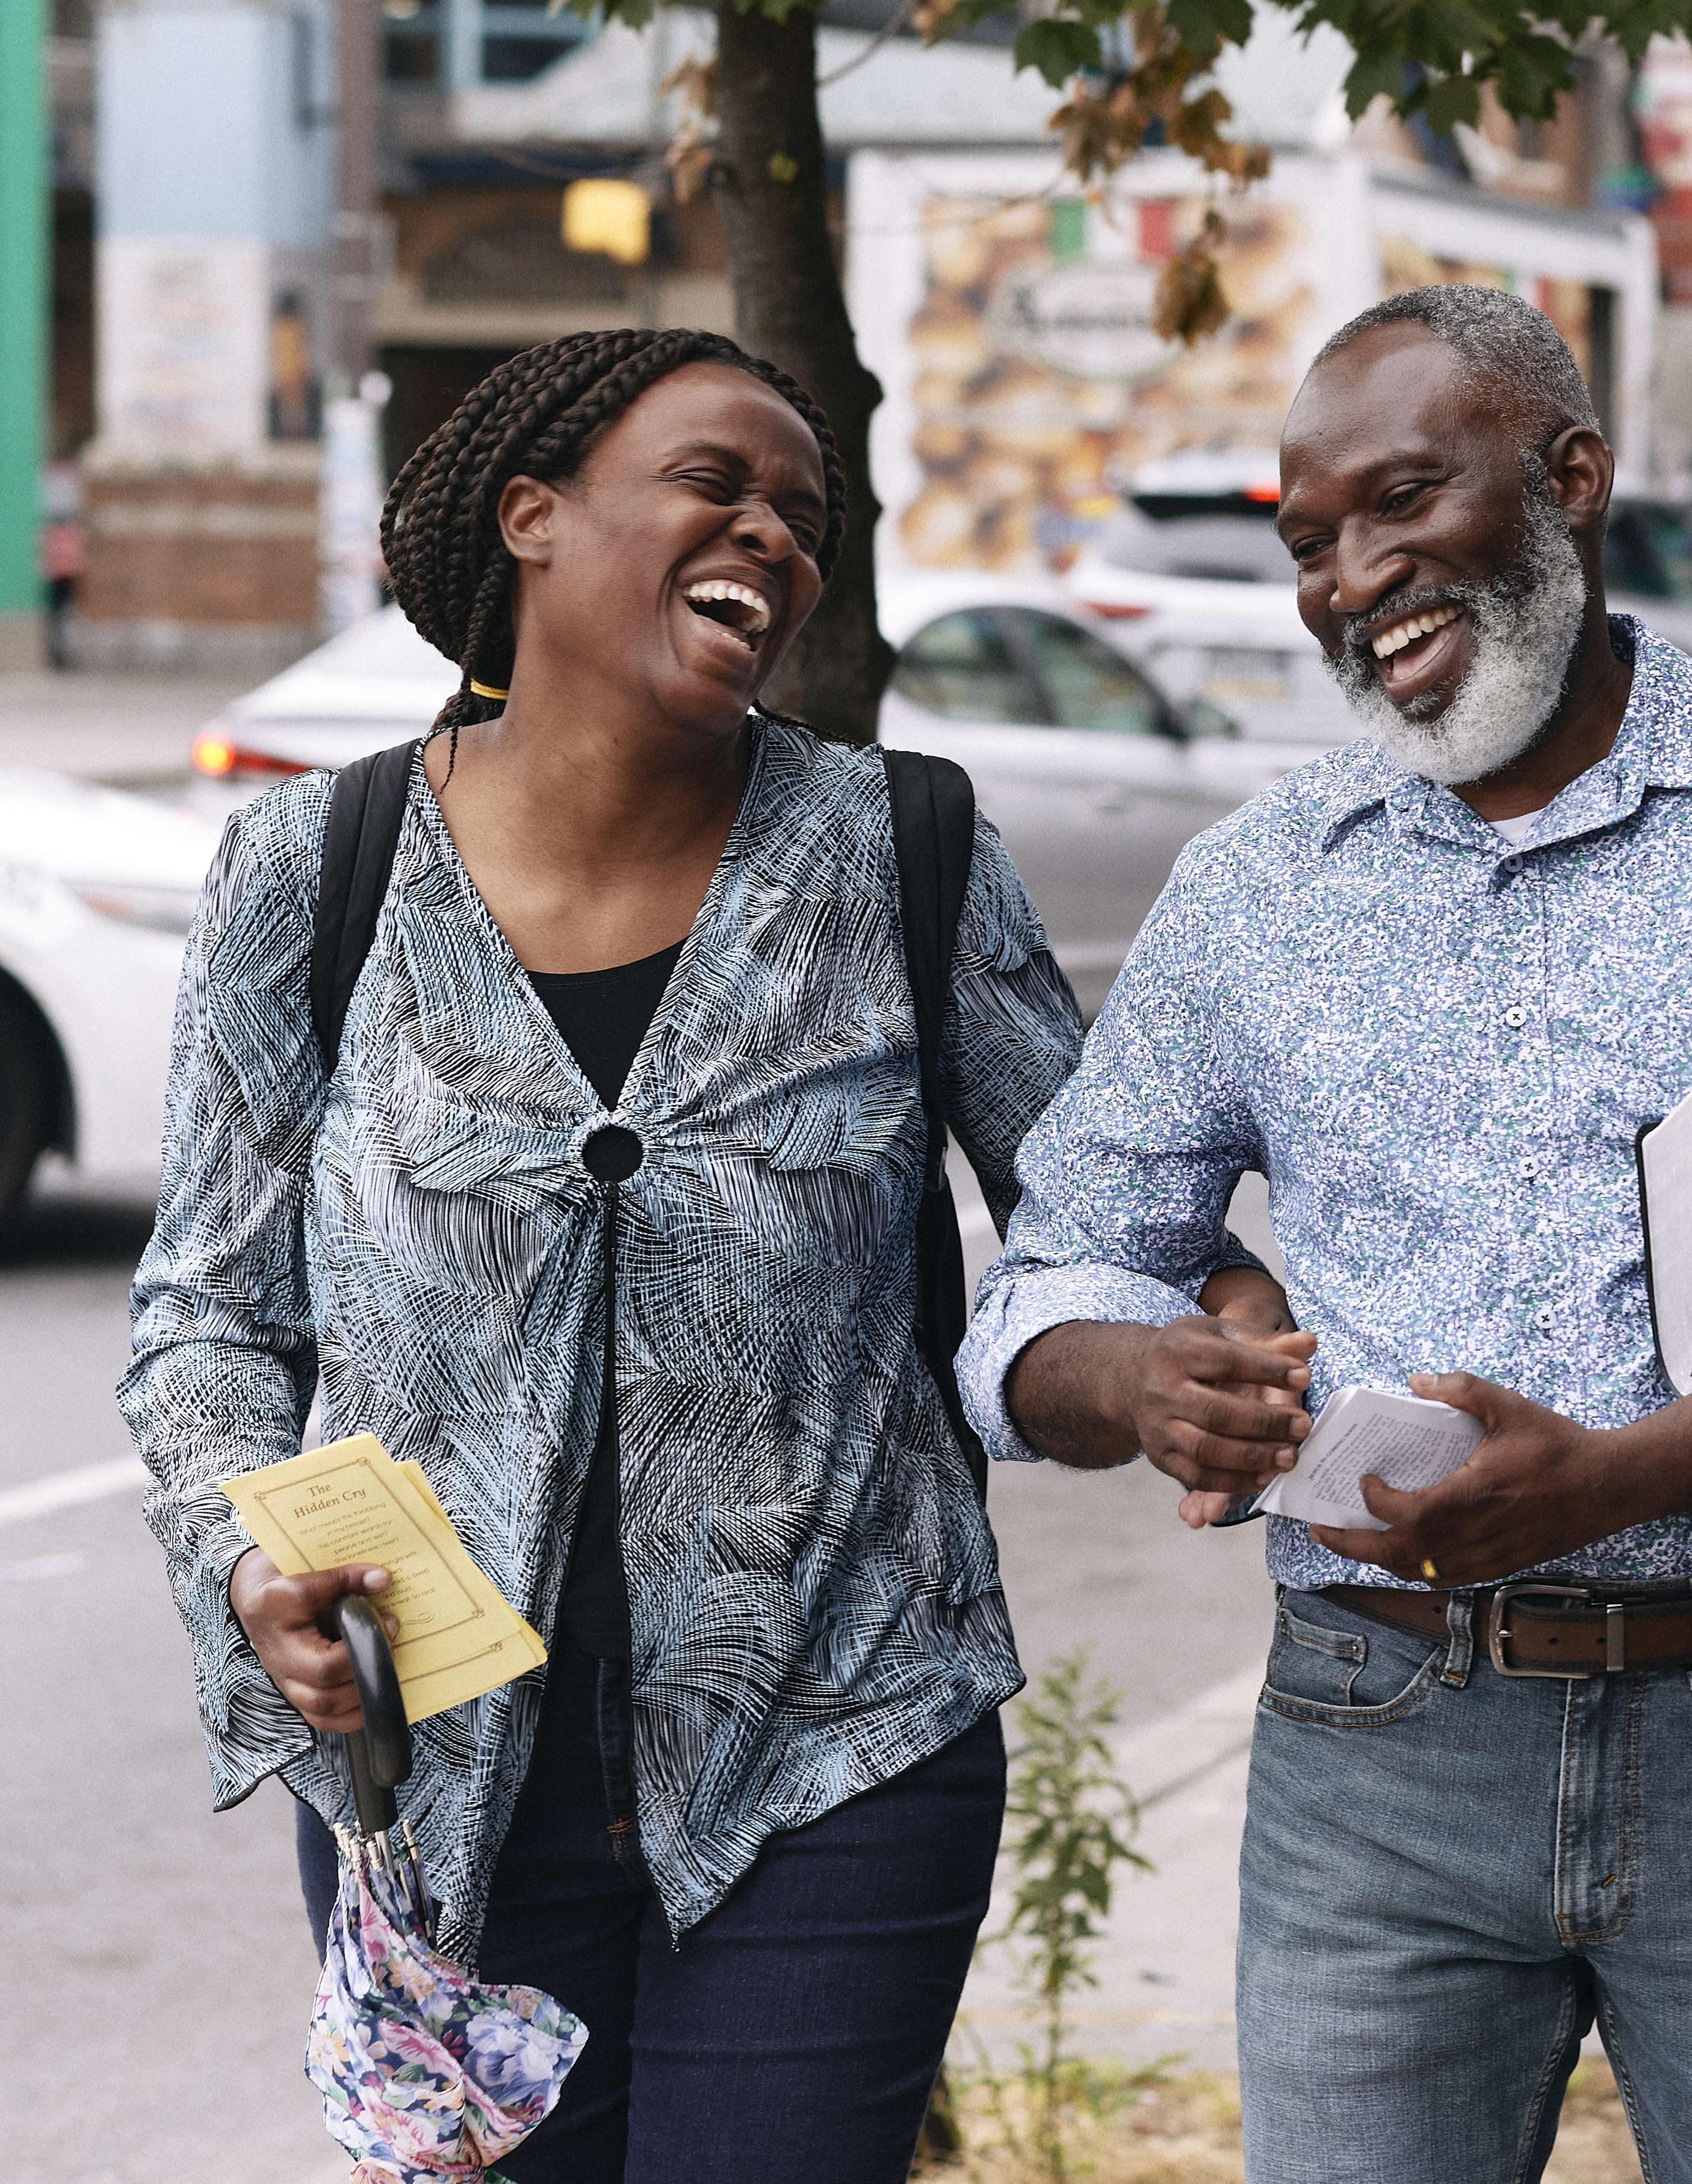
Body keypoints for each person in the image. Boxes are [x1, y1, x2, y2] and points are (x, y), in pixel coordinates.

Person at [122, 326, 1282, 2184]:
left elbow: (1095, 1209)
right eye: (716, 484)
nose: (774, 533)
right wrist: (241, 1545)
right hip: (440, 1776)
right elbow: (206, 1316)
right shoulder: (312, 867)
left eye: (805, 514)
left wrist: (1207, 1312)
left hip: (841, 1739)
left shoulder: (899, 847)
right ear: (534, 521)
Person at [956, 286, 1692, 2184]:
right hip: (1373, 1745)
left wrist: (1638, 1471)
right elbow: (1051, 1277)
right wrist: (1150, 1380)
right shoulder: (1255, 890)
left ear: (1570, 482)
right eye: (1312, 543)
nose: (1353, 576)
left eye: (1402, 503)